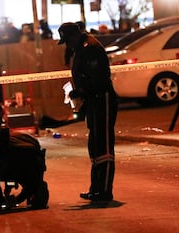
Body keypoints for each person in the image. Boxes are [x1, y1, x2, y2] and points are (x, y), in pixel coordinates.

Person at [57, 22, 118, 202]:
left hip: (102, 99)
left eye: (67, 40)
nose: (67, 45)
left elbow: (98, 79)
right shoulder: (81, 48)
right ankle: (96, 188)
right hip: (93, 101)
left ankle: (104, 190)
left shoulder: (90, 48)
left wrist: (81, 92)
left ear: (75, 36)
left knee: (103, 146)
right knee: (95, 144)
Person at [0, 127, 48, 212]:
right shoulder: (24, 139)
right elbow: (37, 172)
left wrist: (19, 199)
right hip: (31, 168)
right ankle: (37, 194)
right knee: (34, 178)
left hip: (18, 167)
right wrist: (20, 198)